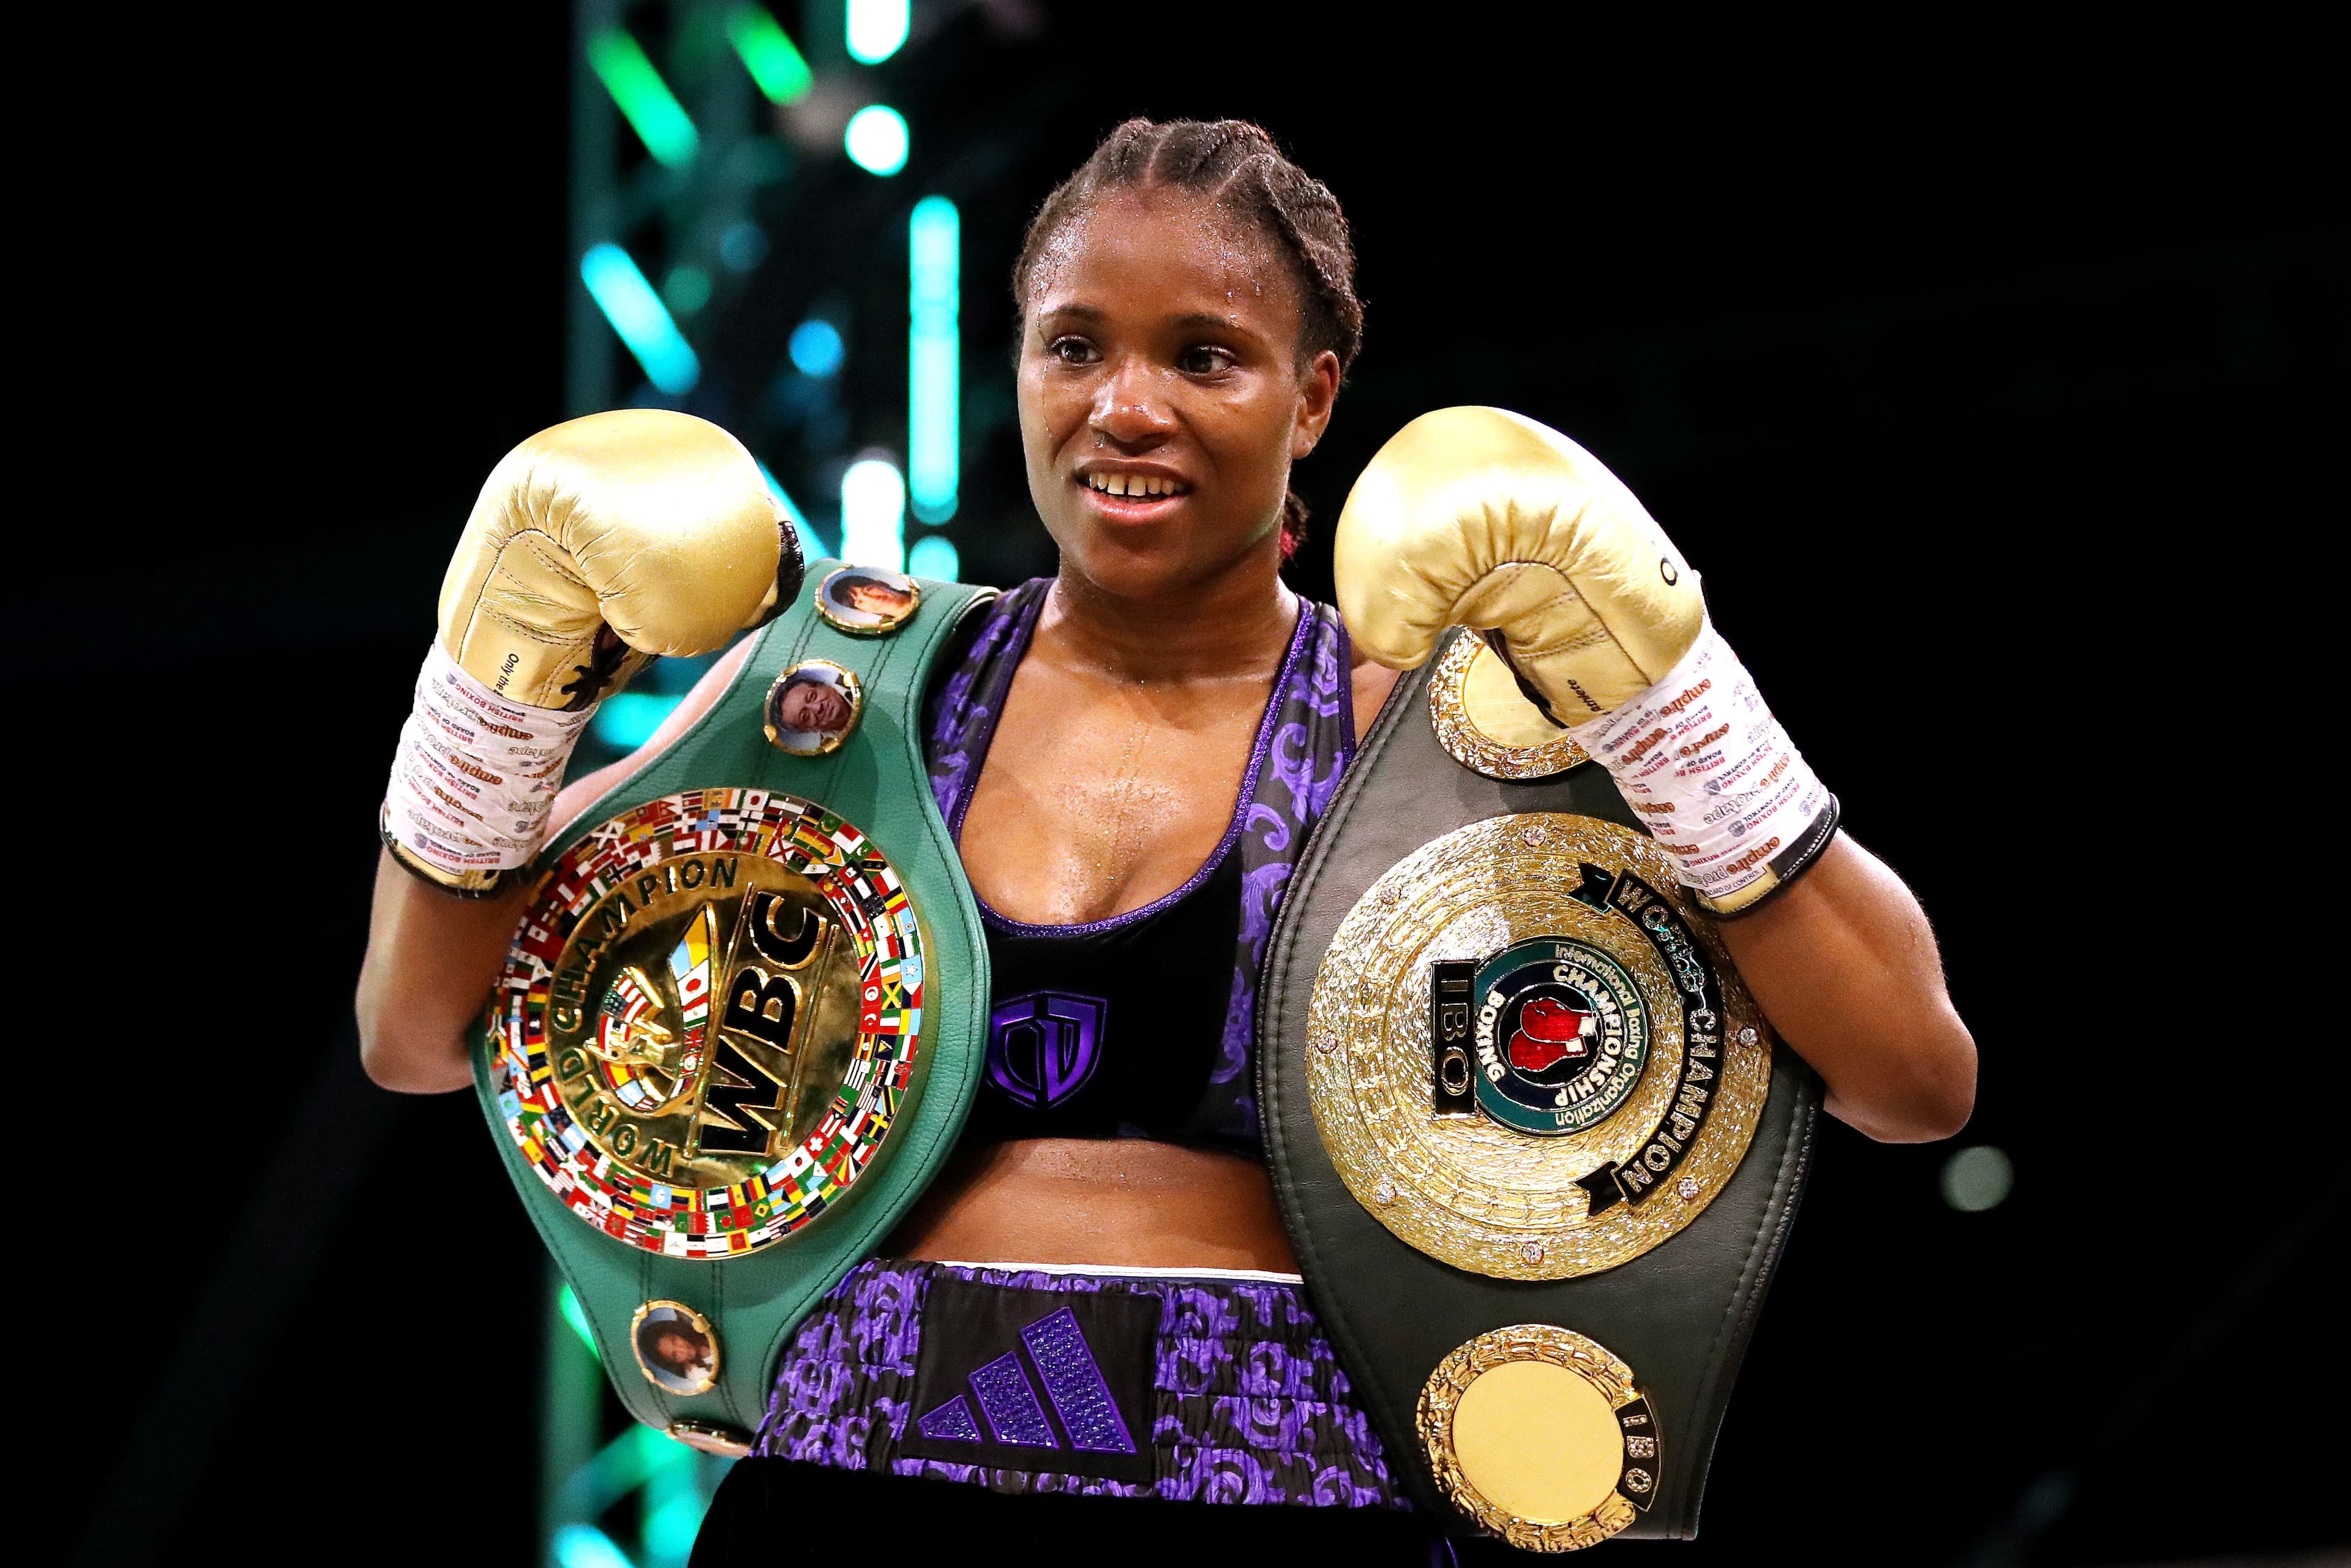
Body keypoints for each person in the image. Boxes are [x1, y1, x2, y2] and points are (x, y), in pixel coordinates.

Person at [356, 119, 1974, 1559]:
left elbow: (1913, 1075)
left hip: (1290, 1508)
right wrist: (495, 683)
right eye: (1076, 347)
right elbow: (415, 1029)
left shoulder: (1428, 734)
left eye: (1204, 355)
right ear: (1021, 370)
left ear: (1314, 393)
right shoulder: (853, 703)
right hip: (845, 1493)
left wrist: (1668, 692)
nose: (1128, 407)